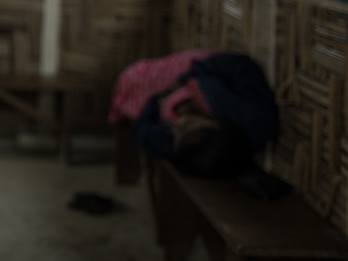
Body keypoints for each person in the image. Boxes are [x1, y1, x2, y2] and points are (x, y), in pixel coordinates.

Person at [109, 49, 278, 177]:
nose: (176, 127)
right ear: (215, 125)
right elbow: (238, 64)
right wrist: (185, 78)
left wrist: (157, 100)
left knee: (130, 85)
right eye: (185, 128)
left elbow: (141, 132)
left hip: (162, 96)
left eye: (177, 136)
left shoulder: (183, 144)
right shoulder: (252, 115)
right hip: (195, 73)